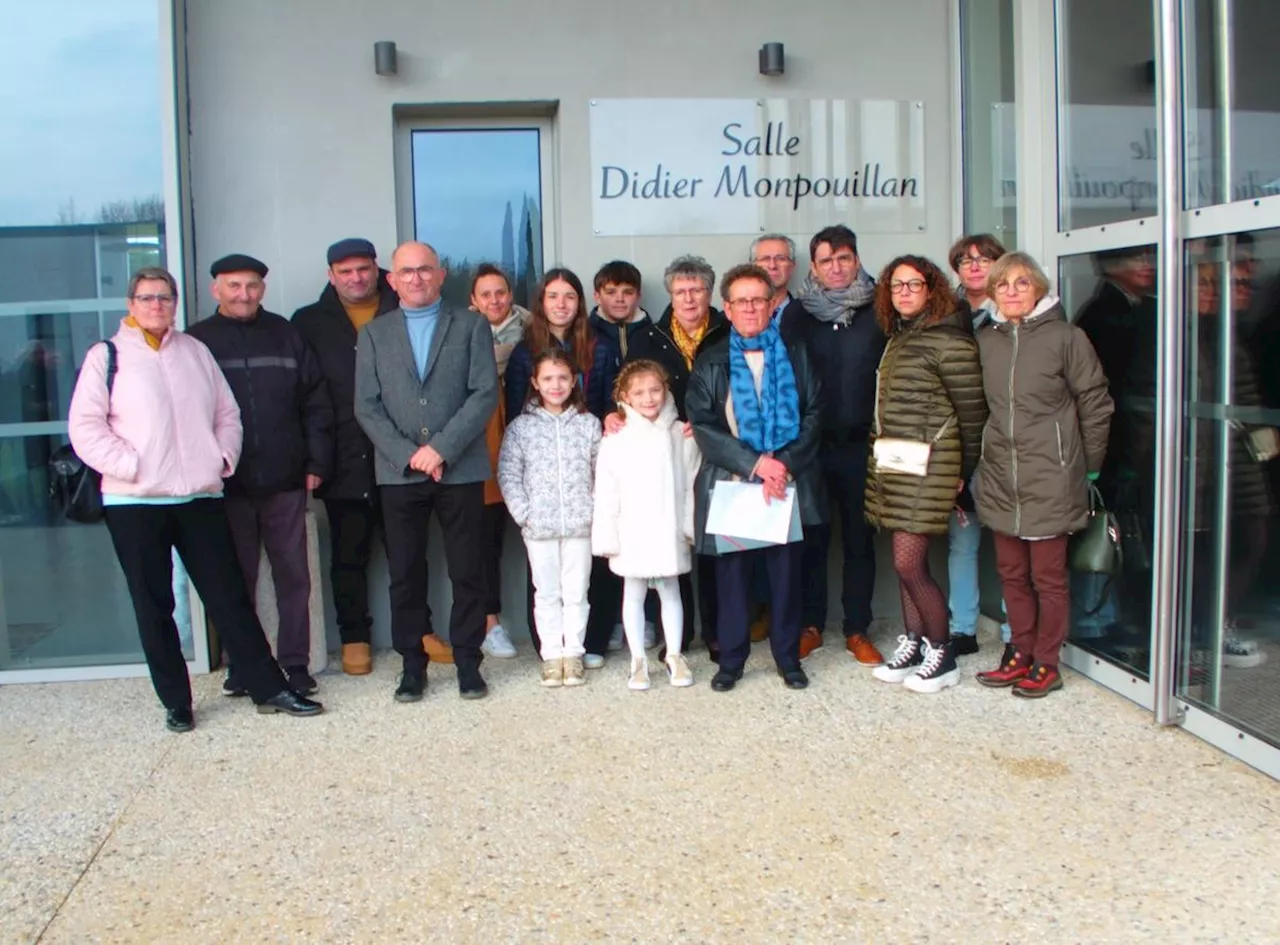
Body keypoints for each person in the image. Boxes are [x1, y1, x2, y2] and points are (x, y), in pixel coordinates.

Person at [68, 266, 322, 732]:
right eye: (147, 298)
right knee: (154, 604)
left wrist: (220, 459)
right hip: (135, 503)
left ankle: (268, 687)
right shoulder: (107, 357)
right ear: (131, 304)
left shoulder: (195, 352)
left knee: (229, 597)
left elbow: (228, 413)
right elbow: (85, 427)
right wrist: (131, 466)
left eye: (164, 298)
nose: (157, 306)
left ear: (176, 302)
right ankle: (176, 701)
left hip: (199, 497)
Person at [292, 238, 454, 674]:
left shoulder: (400, 308)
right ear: (331, 275)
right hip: (343, 455)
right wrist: (312, 459)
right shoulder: (309, 322)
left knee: (409, 553)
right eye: (344, 272)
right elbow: (304, 395)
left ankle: (420, 631)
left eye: (362, 269)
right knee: (348, 554)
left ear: (379, 271)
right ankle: (354, 637)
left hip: (401, 454)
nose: (355, 278)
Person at [354, 241, 498, 702]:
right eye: (406, 272)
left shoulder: (472, 325)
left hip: (458, 468)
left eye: (424, 270)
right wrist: (409, 453)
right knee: (405, 573)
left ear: (440, 275)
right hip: (399, 473)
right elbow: (366, 405)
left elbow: (483, 394)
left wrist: (439, 449)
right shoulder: (375, 334)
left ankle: (468, 663)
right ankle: (412, 666)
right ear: (390, 280)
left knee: (468, 570)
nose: (415, 278)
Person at [186, 254, 333, 697]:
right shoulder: (196, 342)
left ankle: (295, 664)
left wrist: (317, 463)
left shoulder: (286, 334)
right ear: (216, 290)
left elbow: (316, 403)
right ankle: (243, 665)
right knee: (235, 580)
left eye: (251, 286)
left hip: (286, 479)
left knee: (294, 578)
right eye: (233, 286)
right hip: (225, 484)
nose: (243, 294)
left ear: (262, 290)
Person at [973, 252, 1114, 698]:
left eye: (1021, 283)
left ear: (1038, 288)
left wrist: (1089, 465)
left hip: (1051, 475)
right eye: (1002, 285)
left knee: (1048, 578)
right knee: (1011, 573)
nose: (1011, 292)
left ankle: (1046, 662)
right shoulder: (986, 340)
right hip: (1001, 475)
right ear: (992, 293)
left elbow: (1095, 403)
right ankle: (1020, 651)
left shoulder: (1067, 338)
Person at [688, 263, 825, 692]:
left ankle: (788, 660)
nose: (750, 308)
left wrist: (781, 465)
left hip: (785, 483)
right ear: (727, 309)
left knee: (785, 578)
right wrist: (756, 464)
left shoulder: (796, 352)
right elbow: (704, 424)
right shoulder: (711, 359)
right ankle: (731, 661)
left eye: (758, 300)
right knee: (732, 581)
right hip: (732, 482)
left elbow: (815, 413)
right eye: (741, 301)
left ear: (771, 305)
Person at [865, 255, 988, 694]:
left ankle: (943, 653)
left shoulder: (950, 340)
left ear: (932, 288)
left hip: (932, 467)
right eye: (896, 285)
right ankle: (914, 644)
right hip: (898, 464)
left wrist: (963, 473)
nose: (903, 292)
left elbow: (973, 417)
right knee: (903, 566)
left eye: (913, 284)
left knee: (908, 562)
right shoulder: (899, 337)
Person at [602, 254, 727, 661]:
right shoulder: (649, 339)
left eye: (696, 290)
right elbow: (635, 391)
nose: (689, 299)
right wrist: (615, 417)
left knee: (711, 544)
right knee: (668, 542)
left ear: (709, 293)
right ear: (670, 296)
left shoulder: (727, 331)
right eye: (680, 292)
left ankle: (717, 631)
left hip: (723, 448)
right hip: (669, 449)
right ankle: (679, 639)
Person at [505, 269, 622, 665]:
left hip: (586, 460)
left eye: (569, 296)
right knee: (545, 577)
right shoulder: (525, 351)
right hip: (542, 477)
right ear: (541, 303)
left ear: (580, 302)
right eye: (552, 296)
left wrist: (607, 420)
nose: (561, 304)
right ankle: (550, 648)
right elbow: (516, 412)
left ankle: (590, 643)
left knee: (591, 571)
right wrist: (524, 508)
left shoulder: (599, 346)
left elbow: (611, 400)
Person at [792, 225, 886, 665]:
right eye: (826, 260)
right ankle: (810, 624)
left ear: (857, 259)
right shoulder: (797, 315)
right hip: (809, 447)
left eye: (843, 258)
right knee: (812, 538)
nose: (835, 267)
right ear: (813, 266)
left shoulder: (880, 310)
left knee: (858, 541)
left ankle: (856, 628)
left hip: (861, 447)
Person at [594, 360, 701, 690]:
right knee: (634, 593)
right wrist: (609, 536)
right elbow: (607, 491)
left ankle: (674, 654)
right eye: (639, 392)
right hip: (632, 531)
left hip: (668, 529)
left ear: (666, 390)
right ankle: (637, 658)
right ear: (625, 396)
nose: (649, 398)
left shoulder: (681, 434)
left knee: (671, 591)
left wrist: (687, 527)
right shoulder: (616, 439)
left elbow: (690, 485)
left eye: (655, 390)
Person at [497, 349, 601, 688]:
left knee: (576, 591)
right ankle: (551, 654)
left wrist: (594, 509)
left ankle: (573, 652)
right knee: (546, 592)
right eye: (547, 379)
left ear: (574, 381)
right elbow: (509, 474)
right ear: (535, 383)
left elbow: (601, 471)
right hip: (538, 527)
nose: (555, 385)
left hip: (579, 525)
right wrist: (524, 513)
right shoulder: (520, 429)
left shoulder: (588, 424)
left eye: (562, 378)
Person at [1071, 245, 1157, 651]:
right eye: (1137, 258)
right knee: (1101, 527)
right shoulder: (1100, 315)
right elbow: (1101, 395)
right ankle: (1093, 622)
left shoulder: (1145, 308)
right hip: (1111, 443)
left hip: (1133, 440)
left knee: (1120, 529)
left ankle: (1115, 615)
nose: (1148, 266)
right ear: (1110, 266)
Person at [945, 234, 1012, 657]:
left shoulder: (1011, 315)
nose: (974, 266)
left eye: (984, 259)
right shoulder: (945, 313)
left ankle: (1014, 632)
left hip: (1004, 443)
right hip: (958, 444)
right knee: (963, 541)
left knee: (1009, 544)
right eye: (966, 260)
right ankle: (962, 628)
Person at [472, 263, 530, 660]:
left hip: (530, 440)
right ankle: (490, 624)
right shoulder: (461, 337)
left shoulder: (533, 331)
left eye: (501, 292)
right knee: (485, 541)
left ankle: (558, 625)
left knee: (543, 537)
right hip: (486, 441)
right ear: (474, 302)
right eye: (486, 294)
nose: (495, 300)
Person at [750, 233, 807, 340]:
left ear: (792, 266)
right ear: (753, 266)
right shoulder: (732, 318)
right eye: (765, 259)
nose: (772, 266)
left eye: (781, 258)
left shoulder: (809, 316)